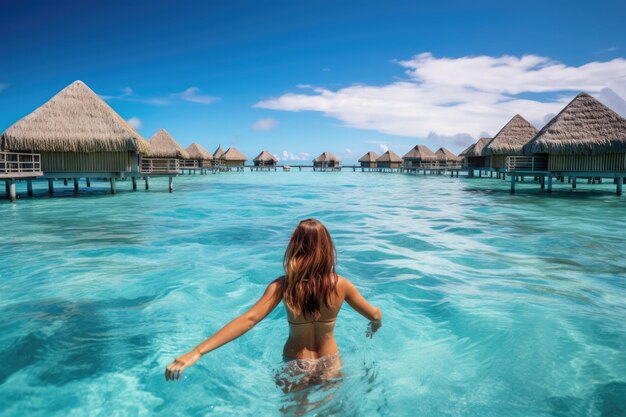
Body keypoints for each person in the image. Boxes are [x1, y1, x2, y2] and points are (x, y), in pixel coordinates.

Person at [165, 218, 382, 382]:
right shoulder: (342, 285)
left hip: (296, 364)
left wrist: (197, 351)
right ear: (327, 249)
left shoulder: (283, 286)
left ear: (295, 247)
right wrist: (374, 326)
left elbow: (248, 320)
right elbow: (374, 314)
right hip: (330, 362)